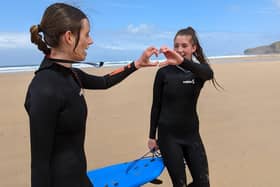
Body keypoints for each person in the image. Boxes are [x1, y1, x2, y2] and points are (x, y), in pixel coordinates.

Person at [24, 3, 185, 187]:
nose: (90, 41)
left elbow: (104, 82)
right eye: (86, 34)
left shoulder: (71, 75)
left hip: (80, 178)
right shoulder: (44, 89)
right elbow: (39, 164)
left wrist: (137, 64)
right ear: (69, 37)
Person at [148, 27, 215, 187]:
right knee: (180, 184)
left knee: (203, 182)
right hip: (168, 137)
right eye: (176, 45)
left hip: (192, 135)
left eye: (184, 46)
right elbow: (156, 106)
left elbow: (209, 73)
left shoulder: (198, 73)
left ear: (193, 48)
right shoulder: (164, 73)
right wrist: (151, 136)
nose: (179, 49)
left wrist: (182, 61)